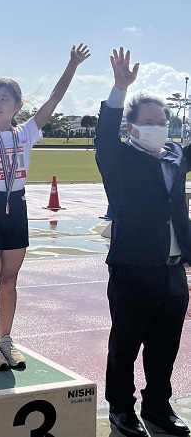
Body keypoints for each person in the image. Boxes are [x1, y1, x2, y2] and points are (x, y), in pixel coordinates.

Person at [0, 30, 90, 369]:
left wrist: (72, 64)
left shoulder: (25, 132)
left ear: (17, 105)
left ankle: (6, 339)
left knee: (10, 280)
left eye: (4, 99)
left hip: (18, 206)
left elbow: (55, 99)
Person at [96, 47, 190, 437]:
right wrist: (119, 90)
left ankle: (157, 406)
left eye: (163, 121)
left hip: (172, 270)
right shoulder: (117, 157)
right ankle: (121, 407)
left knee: (166, 345)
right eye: (149, 121)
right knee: (126, 344)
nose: (159, 126)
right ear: (132, 127)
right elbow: (104, 132)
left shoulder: (173, 158)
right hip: (133, 268)